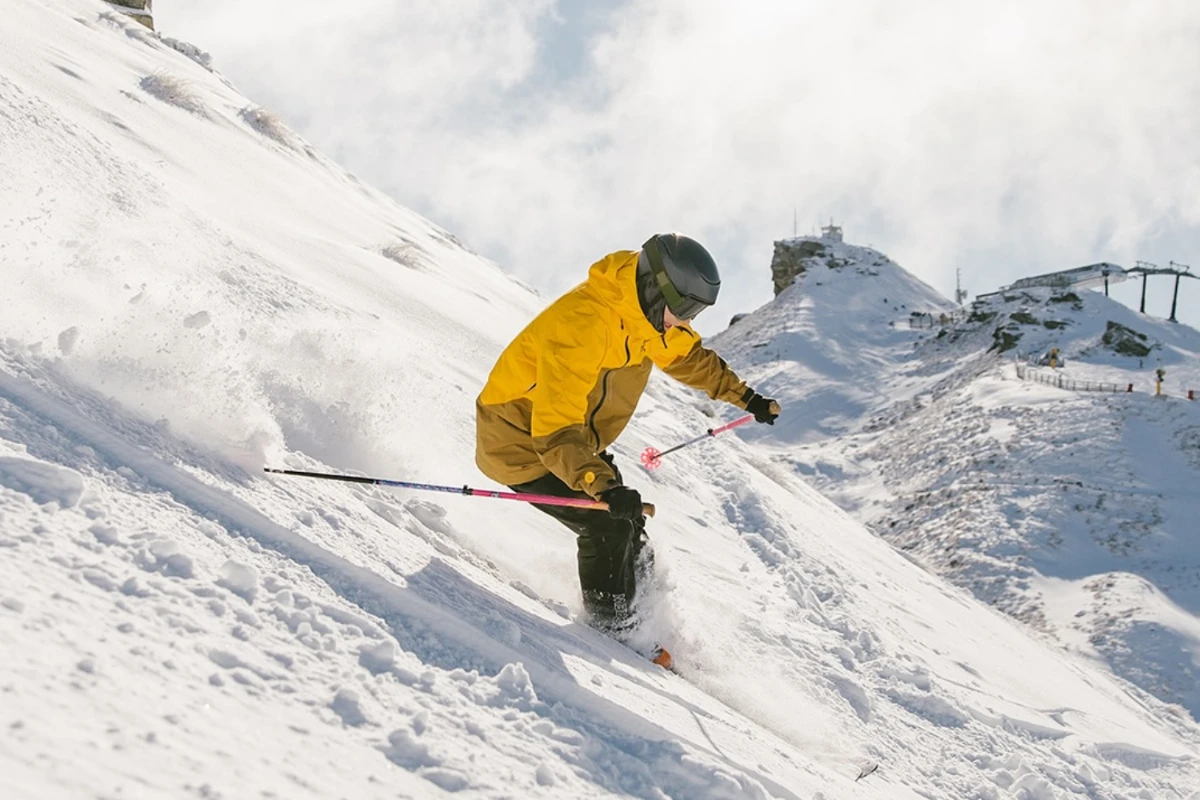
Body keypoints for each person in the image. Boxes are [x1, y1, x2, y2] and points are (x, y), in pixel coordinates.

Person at [475, 233, 781, 637]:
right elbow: (554, 432)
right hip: (519, 440)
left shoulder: (645, 319)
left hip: (572, 439)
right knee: (606, 523)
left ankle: (648, 622)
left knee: (629, 520)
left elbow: (689, 358)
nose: (687, 320)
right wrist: (601, 486)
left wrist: (746, 398)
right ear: (656, 288)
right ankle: (615, 630)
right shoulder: (582, 325)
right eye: (685, 307)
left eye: (697, 311)